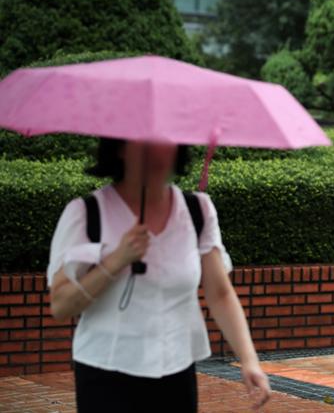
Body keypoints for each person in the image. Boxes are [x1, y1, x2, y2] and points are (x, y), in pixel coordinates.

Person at [47, 139, 271, 413]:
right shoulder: (87, 213)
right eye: (142, 142)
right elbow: (60, 305)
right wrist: (116, 260)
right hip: (106, 373)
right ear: (118, 148)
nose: (156, 150)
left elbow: (220, 294)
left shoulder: (196, 211)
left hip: (176, 371)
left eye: (165, 141)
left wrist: (249, 361)